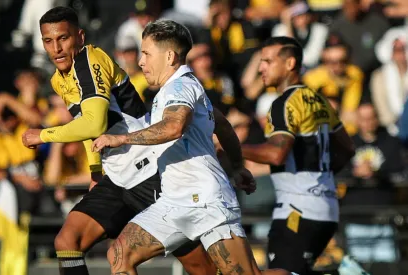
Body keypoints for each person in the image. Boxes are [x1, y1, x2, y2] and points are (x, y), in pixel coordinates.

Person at [21, 7, 239, 275]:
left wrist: (43, 134)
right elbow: (89, 129)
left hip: (148, 173)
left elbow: (95, 123)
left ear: (79, 36)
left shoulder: (90, 61)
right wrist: (95, 172)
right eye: (48, 41)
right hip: (116, 178)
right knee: (68, 241)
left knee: (205, 270)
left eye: (63, 38)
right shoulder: (59, 80)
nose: (56, 48)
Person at [92, 20, 291, 275]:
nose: (141, 62)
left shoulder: (180, 86)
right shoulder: (183, 89)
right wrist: (238, 166)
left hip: (206, 202)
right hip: (173, 201)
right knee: (120, 255)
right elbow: (224, 126)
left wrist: (121, 139)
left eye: (146, 54)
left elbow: (174, 126)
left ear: (170, 56)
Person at [240, 36, 363, 275]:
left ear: (289, 64)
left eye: (267, 61)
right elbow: (347, 149)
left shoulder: (284, 104)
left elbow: (276, 154)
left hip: (296, 209)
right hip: (326, 208)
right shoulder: (319, 100)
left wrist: (231, 146)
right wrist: (319, 179)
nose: (261, 68)